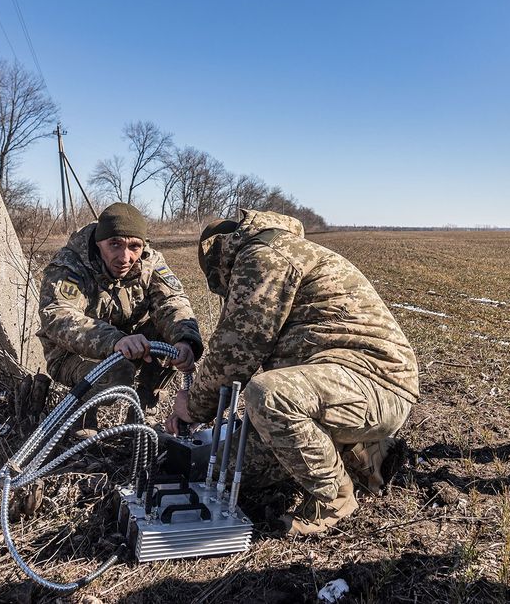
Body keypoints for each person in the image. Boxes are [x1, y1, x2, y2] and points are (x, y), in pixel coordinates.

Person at [164, 209, 419, 536]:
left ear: (219, 257)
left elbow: (236, 350)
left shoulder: (264, 255)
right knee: (235, 468)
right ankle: (367, 453)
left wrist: (193, 408)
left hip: (375, 385)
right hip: (357, 387)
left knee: (268, 397)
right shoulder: (275, 249)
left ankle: (334, 497)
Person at [37, 202, 203, 436]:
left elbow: (172, 301)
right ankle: (81, 416)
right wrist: (114, 341)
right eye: (115, 244)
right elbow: (58, 316)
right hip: (72, 354)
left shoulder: (149, 261)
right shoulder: (70, 264)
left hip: (132, 345)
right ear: (99, 243)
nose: (125, 257)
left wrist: (185, 340)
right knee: (119, 372)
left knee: (170, 341)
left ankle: (143, 412)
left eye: (134, 246)